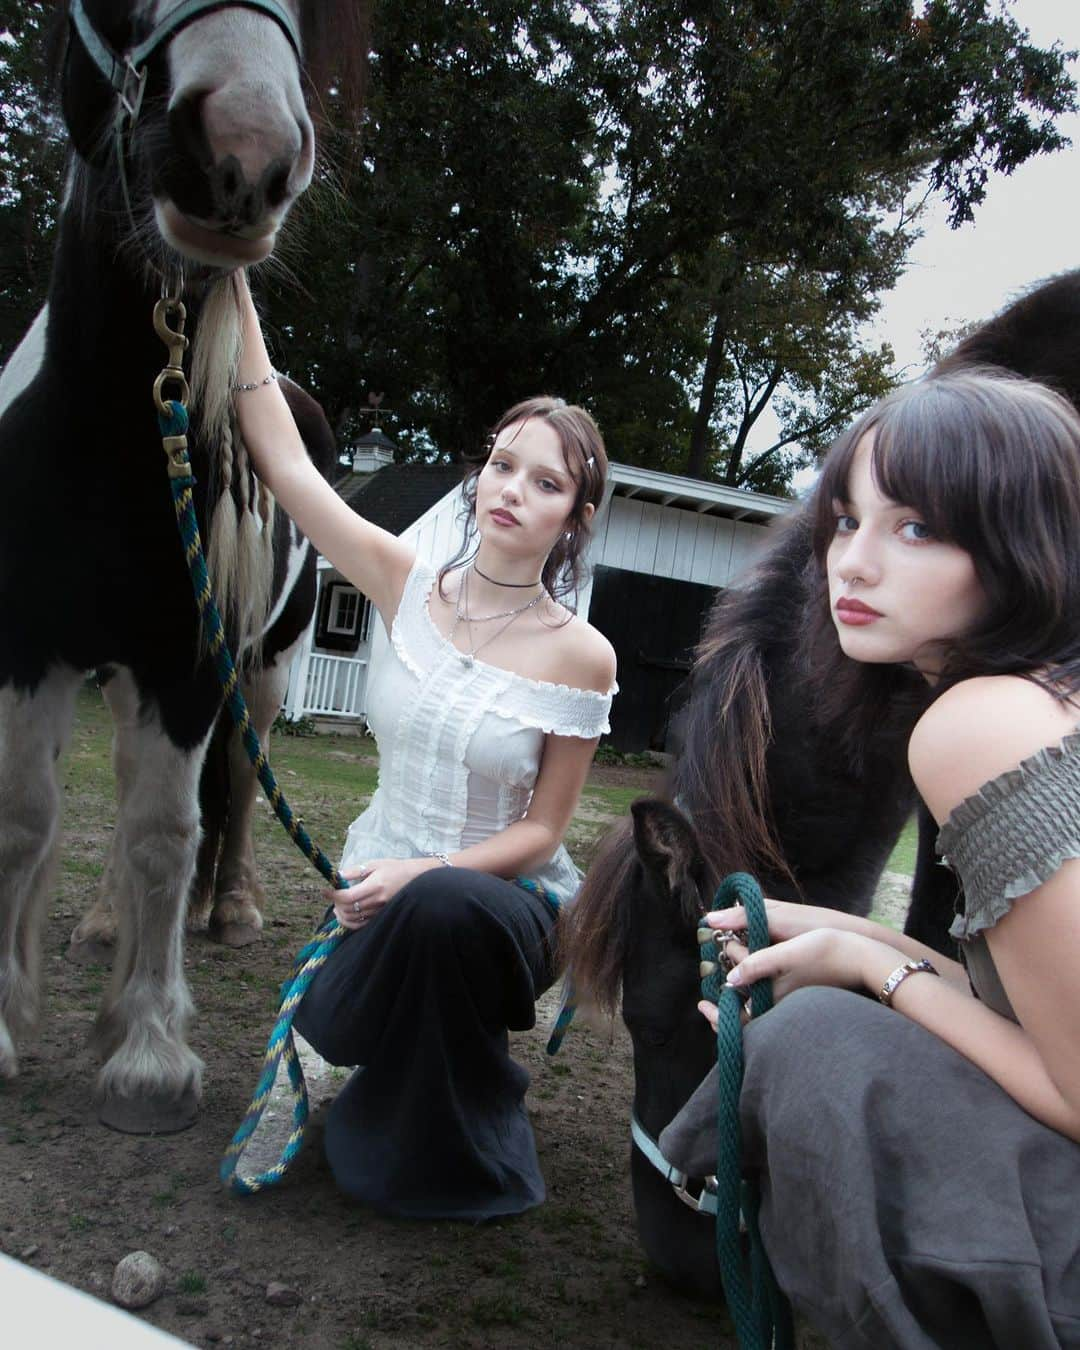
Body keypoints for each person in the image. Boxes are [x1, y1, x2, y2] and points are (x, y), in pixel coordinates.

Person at [660, 370, 1080, 1348]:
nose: (852, 564)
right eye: (847, 521)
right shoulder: (1044, 702)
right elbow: (1036, 1005)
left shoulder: (984, 724)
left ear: (1026, 540)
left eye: (917, 528)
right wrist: (849, 936)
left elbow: (1073, 1086)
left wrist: (868, 971)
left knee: (813, 1044)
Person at [230, 278, 617, 1220]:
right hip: (378, 895)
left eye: (548, 482)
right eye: (505, 465)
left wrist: (422, 874)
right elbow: (285, 463)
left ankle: (457, 1147)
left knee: (444, 906)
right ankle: (351, 1056)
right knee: (343, 1014)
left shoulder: (582, 655)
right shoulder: (405, 581)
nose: (514, 491)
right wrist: (231, 273)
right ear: (480, 473)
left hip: (506, 913)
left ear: (574, 517)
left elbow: (542, 834)